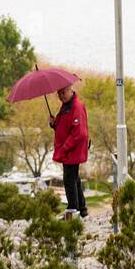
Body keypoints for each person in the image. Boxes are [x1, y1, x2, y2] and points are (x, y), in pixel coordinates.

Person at [49, 84, 88, 218]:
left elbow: (79, 133)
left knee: (69, 180)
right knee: (74, 179)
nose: (61, 96)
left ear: (70, 90)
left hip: (73, 151)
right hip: (68, 150)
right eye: (59, 94)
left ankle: (73, 210)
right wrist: (54, 124)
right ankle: (82, 210)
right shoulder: (66, 106)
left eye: (63, 92)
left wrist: (64, 148)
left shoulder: (76, 106)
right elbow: (65, 127)